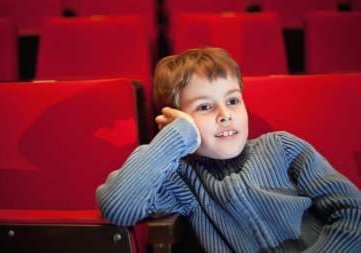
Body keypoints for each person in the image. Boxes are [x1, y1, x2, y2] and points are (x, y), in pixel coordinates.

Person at [96, 47, 361, 253]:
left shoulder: (283, 147)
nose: (225, 115)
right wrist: (176, 136)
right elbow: (119, 206)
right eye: (204, 107)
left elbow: (353, 213)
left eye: (233, 100)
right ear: (174, 119)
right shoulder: (183, 183)